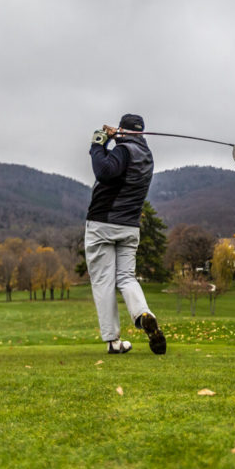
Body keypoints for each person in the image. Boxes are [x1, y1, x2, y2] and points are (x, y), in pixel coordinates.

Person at [84, 113, 167, 355]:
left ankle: (113, 341)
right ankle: (144, 314)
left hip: (102, 224)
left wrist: (97, 145)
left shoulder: (123, 151)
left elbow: (104, 171)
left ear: (123, 130)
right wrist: (116, 138)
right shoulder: (146, 156)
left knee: (103, 282)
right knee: (127, 278)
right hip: (130, 227)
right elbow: (122, 161)